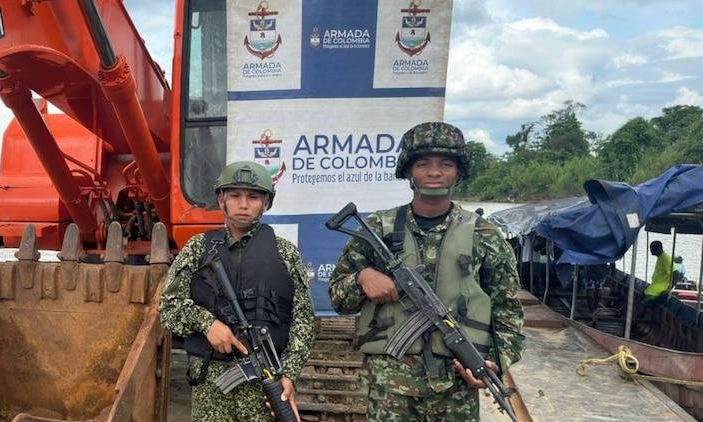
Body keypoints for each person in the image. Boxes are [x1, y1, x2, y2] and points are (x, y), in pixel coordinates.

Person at [328, 122, 525, 421]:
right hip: (390, 388)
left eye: (446, 164)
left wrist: (494, 361)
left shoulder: (484, 234)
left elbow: (507, 311)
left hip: (457, 389)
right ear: (409, 170)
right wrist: (361, 278)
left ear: (458, 172)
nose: (434, 172)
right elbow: (337, 298)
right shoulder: (378, 228)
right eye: (423, 164)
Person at [159, 161, 315, 421]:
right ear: (221, 199)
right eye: (235, 196)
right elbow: (168, 308)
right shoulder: (198, 248)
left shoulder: (285, 253)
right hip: (210, 389)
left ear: (266, 203)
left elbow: (304, 320)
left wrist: (289, 373)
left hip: (264, 390)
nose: (243, 205)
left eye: (253, 197)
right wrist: (208, 324)